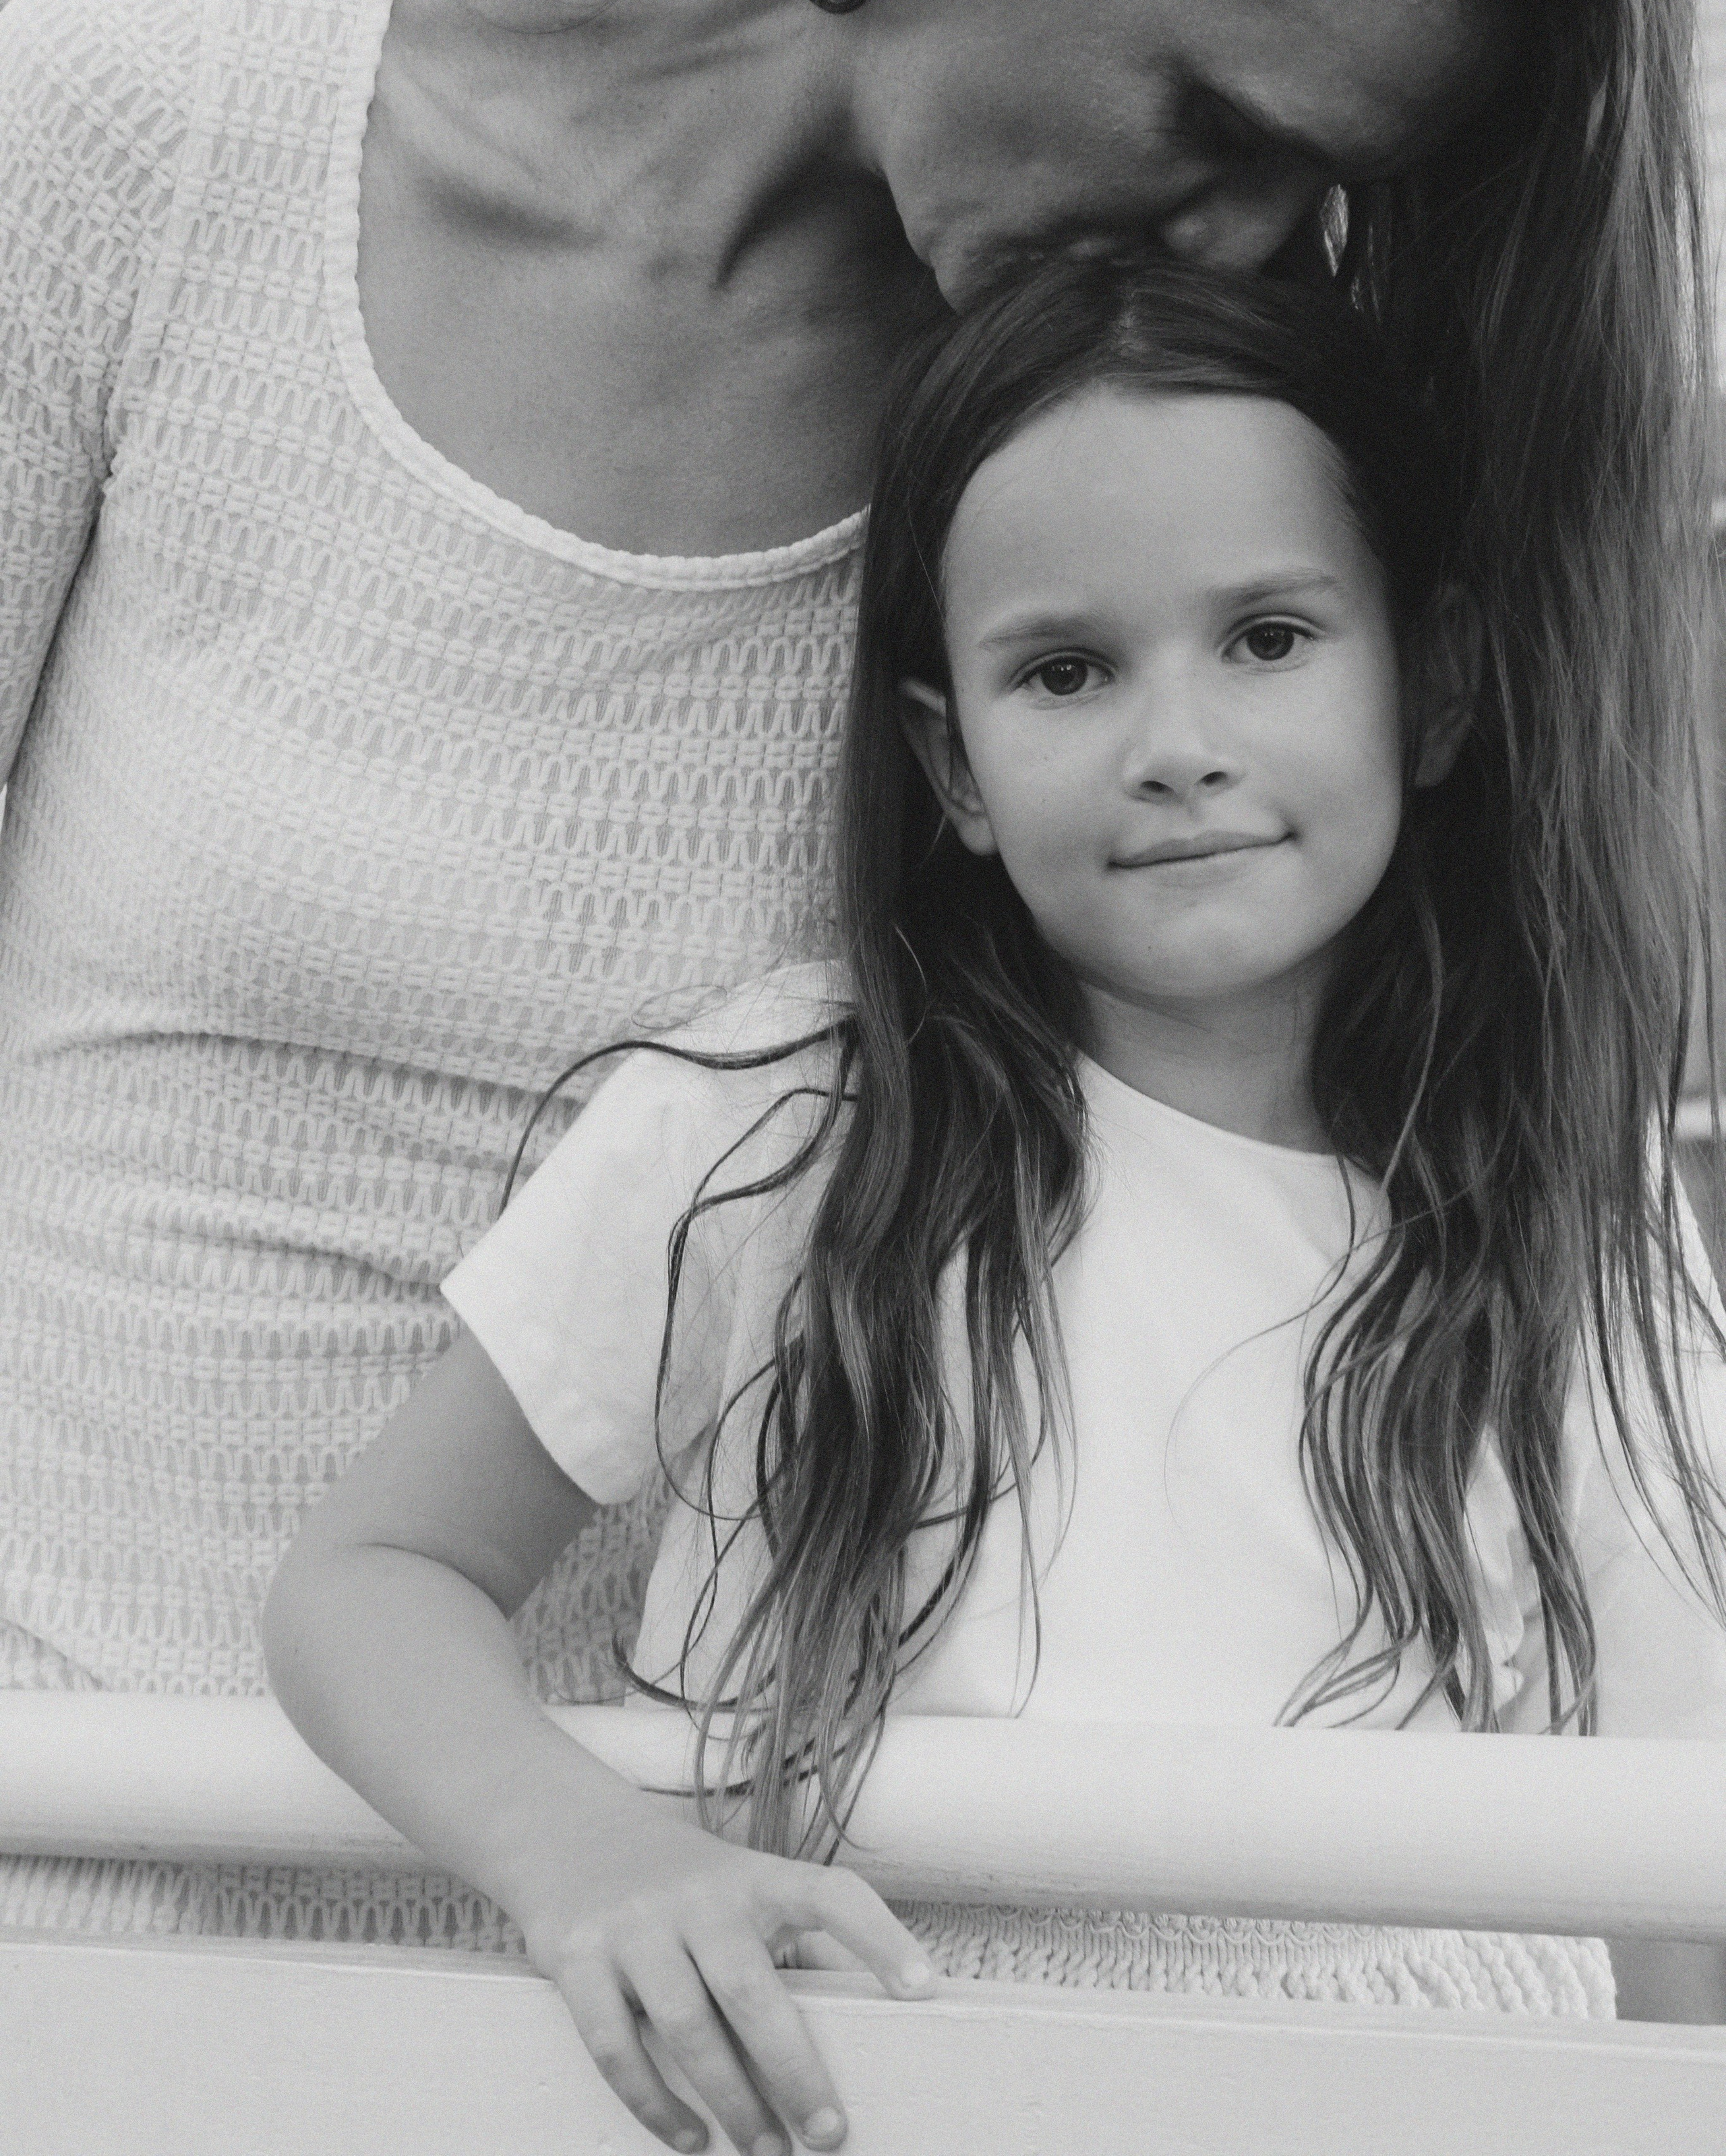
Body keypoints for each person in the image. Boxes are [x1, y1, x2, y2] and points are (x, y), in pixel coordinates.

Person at [0, 0, 1705, 1947]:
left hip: (808, 2020)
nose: (1240, 238)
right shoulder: (156, 118)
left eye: (1324, 193)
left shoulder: (1150, 484)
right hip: (114, 1935)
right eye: (1213, 112)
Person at [265, 252, 1726, 2156]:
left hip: (1434, 2086)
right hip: (888, 2068)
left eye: (1270, 637)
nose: (1176, 738)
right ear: (952, 759)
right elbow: (369, 1579)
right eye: (1066, 670)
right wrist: (585, 1855)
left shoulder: (1562, 1190)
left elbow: (1675, 1810)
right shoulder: (795, 1125)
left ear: (1433, 683)